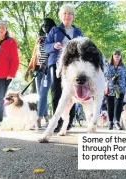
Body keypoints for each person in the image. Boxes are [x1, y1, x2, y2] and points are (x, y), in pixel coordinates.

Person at [45, 4, 83, 132]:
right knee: (56, 92)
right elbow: (46, 46)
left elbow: (83, 48)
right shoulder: (54, 30)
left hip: (72, 66)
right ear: (61, 16)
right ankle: (58, 122)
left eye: (70, 14)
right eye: (65, 14)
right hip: (55, 63)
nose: (67, 16)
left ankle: (69, 121)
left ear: (73, 16)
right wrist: (53, 46)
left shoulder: (78, 32)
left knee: (72, 92)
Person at [25, 18, 56, 129]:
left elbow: (54, 54)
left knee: (43, 94)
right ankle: (47, 119)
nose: (45, 27)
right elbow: (35, 56)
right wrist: (29, 69)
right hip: (38, 70)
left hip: (48, 70)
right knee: (40, 96)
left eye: (47, 25)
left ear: (52, 26)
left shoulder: (55, 38)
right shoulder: (40, 39)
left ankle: (37, 120)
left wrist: (46, 65)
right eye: (43, 25)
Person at [105, 50, 126, 130]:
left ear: (120, 57)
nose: (117, 56)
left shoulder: (123, 66)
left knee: (119, 105)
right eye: (115, 55)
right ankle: (110, 122)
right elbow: (105, 77)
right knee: (110, 105)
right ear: (112, 56)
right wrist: (106, 86)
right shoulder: (108, 65)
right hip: (110, 88)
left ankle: (117, 122)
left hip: (121, 89)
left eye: (118, 55)